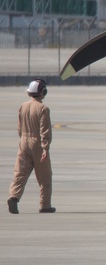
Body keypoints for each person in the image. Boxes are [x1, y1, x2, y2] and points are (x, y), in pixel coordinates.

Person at [8, 79, 55, 214]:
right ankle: (45, 205)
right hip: (37, 144)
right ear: (43, 92)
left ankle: (14, 197)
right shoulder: (43, 108)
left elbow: (19, 128)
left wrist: (23, 140)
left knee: (19, 174)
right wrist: (45, 147)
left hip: (23, 141)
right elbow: (44, 130)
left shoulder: (22, 106)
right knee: (45, 176)